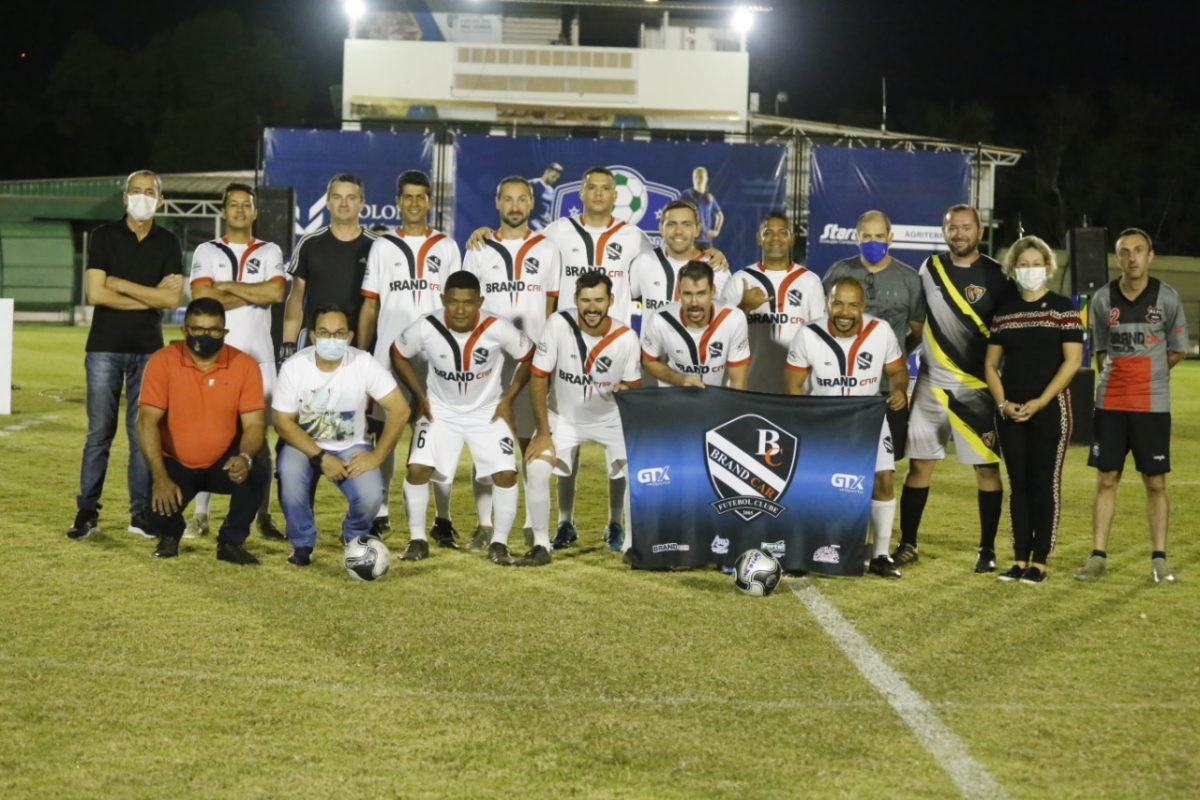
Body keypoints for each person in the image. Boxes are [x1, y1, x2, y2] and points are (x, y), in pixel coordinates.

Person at [895, 204, 1018, 572]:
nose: (959, 234)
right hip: (931, 384)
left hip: (976, 388)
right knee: (920, 466)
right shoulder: (930, 268)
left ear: (980, 232)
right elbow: (918, 324)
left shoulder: (998, 276)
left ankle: (987, 550)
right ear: (944, 231)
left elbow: (1009, 335)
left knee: (986, 470)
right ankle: (908, 544)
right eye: (953, 228)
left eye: (966, 227)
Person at [67, 170, 184, 541]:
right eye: (136, 190)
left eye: (149, 192)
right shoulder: (103, 236)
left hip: (149, 350)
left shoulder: (169, 242)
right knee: (99, 433)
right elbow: (96, 295)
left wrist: (119, 284)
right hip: (104, 347)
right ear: (124, 196)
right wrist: (149, 296)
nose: (142, 197)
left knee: (143, 433)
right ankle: (87, 511)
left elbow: (171, 300)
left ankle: (140, 513)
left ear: (160, 200)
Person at [390, 271, 534, 566]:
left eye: (468, 303)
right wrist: (419, 397)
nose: (459, 310)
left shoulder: (497, 327)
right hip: (440, 411)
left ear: (479, 301)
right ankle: (417, 540)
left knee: (506, 475)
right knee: (417, 469)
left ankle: (499, 544)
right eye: (453, 301)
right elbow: (397, 352)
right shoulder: (427, 325)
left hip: (487, 412)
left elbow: (530, 354)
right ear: (443, 299)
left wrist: (508, 400)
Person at [1075, 228, 1189, 584]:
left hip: (1152, 405)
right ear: (1117, 258)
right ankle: (1098, 557)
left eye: (1139, 250)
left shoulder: (1167, 298)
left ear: (1150, 256)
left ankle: (1159, 560)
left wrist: (1149, 375)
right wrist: (1120, 378)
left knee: (1155, 482)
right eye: (1125, 252)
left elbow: (1178, 349)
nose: (1132, 258)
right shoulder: (1102, 299)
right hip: (1111, 403)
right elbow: (1101, 351)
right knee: (1107, 478)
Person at [357, 169, 462, 544]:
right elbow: (370, 306)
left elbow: (458, 306)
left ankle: (443, 518)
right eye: (408, 197)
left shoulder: (447, 246)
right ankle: (381, 512)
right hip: (388, 356)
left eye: (421, 197)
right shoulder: (383, 246)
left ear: (430, 201)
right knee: (386, 432)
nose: (415, 203)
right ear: (398, 202)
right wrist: (361, 356)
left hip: (435, 359)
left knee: (437, 434)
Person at [784, 277, 909, 578]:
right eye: (837, 303)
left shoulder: (880, 330)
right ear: (827, 303)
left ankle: (879, 555)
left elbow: (897, 371)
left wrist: (899, 390)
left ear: (863, 306)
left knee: (883, 479)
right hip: (823, 421)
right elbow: (793, 384)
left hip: (868, 418)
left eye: (852, 305)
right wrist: (806, 420)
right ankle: (804, 553)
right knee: (813, 486)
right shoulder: (808, 333)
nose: (844, 312)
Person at [461, 175, 561, 549]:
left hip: (533, 363)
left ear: (532, 202)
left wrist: (548, 356)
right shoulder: (478, 247)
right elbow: (466, 307)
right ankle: (485, 524)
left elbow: (551, 307)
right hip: (488, 365)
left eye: (522, 199)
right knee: (488, 444)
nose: (515, 206)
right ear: (497, 202)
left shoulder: (547, 249)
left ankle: (532, 526)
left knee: (530, 444)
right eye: (508, 199)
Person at [186, 182, 287, 542]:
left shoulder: (270, 249)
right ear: (223, 211)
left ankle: (262, 515)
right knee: (208, 435)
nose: (240, 210)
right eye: (234, 204)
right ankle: (200, 515)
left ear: (255, 212)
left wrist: (226, 287)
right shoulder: (207, 250)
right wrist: (253, 292)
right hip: (214, 359)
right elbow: (201, 300)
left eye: (247, 204)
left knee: (258, 436)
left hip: (259, 361)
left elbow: (276, 292)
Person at [273, 304, 411, 566]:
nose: (331, 339)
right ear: (313, 335)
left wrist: (377, 457)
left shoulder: (363, 363)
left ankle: (354, 535)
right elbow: (283, 423)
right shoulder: (294, 367)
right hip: (304, 445)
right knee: (289, 476)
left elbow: (400, 409)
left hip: (351, 445)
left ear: (349, 336)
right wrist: (321, 457)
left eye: (339, 333)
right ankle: (302, 544)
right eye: (324, 332)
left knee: (372, 494)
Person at [135, 298, 269, 565]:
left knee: (257, 470)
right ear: (184, 330)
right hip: (175, 462)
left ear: (225, 332)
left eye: (214, 330)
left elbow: (254, 424)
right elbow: (146, 422)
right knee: (154, 514)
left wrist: (244, 457)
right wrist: (160, 477)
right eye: (197, 329)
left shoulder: (244, 365)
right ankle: (170, 535)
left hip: (223, 461)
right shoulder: (163, 361)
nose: (205, 336)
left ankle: (231, 542)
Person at [983, 236, 1083, 584]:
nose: (1030, 270)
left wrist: (1041, 401)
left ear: (1048, 267)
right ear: (1013, 269)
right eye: (1023, 264)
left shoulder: (1063, 309)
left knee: (1045, 484)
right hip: (1011, 411)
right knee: (1019, 485)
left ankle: (1039, 561)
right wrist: (1002, 403)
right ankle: (1019, 558)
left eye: (1036, 264)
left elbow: (1072, 361)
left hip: (1050, 408)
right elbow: (991, 365)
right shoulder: (1005, 312)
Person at [525, 273, 641, 561]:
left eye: (599, 300)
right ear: (575, 299)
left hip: (611, 418)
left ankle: (631, 546)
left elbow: (633, 385)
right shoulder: (557, 324)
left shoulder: (626, 337)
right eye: (585, 300)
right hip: (563, 418)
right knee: (536, 468)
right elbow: (538, 376)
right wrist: (542, 432)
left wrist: (625, 389)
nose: (592, 307)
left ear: (611, 300)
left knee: (637, 473)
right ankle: (541, 545)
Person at [822, 210, 926, 461]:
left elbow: (917, 332)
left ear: (890, 238)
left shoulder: (909, 279)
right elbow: (822, 324)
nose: (873, 242)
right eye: (867, 236)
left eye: (879, 236)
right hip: (843, 387)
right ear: (856, 238)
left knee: (886, 467)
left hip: (889, 390)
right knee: (838, 460)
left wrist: (894, 353)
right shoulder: (838, 272)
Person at [720, 212, 824, 393]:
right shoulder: (740, 279)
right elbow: (720, 333)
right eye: (768, 232)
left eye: (783, 232)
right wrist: (744, 306)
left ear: (791, 239)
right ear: (758, 238)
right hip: (751, 385)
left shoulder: (810, 280)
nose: (775, 238)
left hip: (796, 387)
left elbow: (819, 336)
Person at [280, 174, 378, 358]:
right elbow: (296, 299)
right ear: (327, 202)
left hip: (366, 349)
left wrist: (363, 353)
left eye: (351, 198)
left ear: (362, 204)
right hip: (317, 347)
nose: (344, 204)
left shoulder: (378, 246)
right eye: (337, 197)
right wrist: (288, 344)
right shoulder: (309, 244)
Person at [642, 261, 750, 390]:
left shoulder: (733, 319)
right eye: (688, 294)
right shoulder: (660, 319)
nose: (694, 303)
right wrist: (678, 379)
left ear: (712, 291)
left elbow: (738, 380)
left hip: (718, 399)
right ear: (679, 292)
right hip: (675, 397)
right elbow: (648, 361)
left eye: (701, 293)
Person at [629, 199, 728, 316]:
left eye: (686, 224)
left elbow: (729, 318)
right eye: (671, 224)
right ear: (661, 228)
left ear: (697, 230)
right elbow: (621, 302)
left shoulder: (716, 268)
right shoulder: (644, 261)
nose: (678, 231)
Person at [679, 167, 723, 245]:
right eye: (695, 177)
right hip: (691, 241)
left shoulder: (709, 197)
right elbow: (678, 215)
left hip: (706, 241)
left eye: (701, 177)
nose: (698, 180)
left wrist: (716, 231)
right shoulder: (687, 195)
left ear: (706, 179)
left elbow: (719, 215)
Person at [529, 162, 563, 230]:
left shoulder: (551, 191)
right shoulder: (532, 184)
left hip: (546, 224)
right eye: (553, 176)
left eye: (556, 178)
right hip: (533, 223)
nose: (554, 180)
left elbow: (548, 210)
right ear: (547, 172)